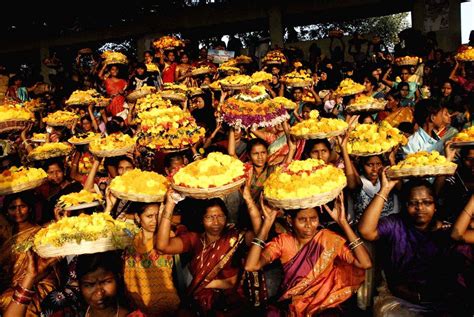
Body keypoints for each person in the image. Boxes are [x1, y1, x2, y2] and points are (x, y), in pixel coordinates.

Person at [358, 175, 473, 316]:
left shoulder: (445, 230)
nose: (420, 208)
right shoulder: (395, 224)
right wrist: (385, 189)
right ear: (405, 205)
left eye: (427, 202)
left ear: (435, 206)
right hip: (400, 299)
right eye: (413, 203)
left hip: (439, 301)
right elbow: (366, 231)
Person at [245, 193, 371, 316]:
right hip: (292, 302)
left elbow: (365, 263)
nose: (309, 225)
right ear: (290, 220)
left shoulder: (328, 239)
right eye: (302, 220)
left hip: (324, 302)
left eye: (313, 219)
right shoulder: (283, 242)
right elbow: (251, 266)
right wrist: (266, 226)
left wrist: (343, 223)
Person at [156, 189, 263, 316]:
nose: (216, 222)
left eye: (220, 216)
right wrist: (170, 204)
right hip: (197, 303)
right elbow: (162, 246)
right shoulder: (194, 239)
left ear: (226, 218)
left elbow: (261, 234)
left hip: (230, 304)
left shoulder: (234, 237)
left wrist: (248, 199)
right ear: (202, 219)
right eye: (209, 217)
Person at [0, 192, 59, 316]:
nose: (18, 211)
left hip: (39, 281)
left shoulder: (41, 232)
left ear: (30, 208)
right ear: (6, 211)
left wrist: (24, 282)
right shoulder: (4, 236)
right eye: (12, 208)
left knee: (7, 299)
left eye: (22, 206)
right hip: (9, 283)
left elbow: (47, 266)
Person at [123, 202, 180, 316]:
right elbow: (114, 227)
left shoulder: (168, 237)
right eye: (149, 216)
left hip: (165, 307)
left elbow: (175, 221)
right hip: (137, 308)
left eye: (157, 215)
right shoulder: (130, 237)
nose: (154, 220)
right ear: (138, 217)